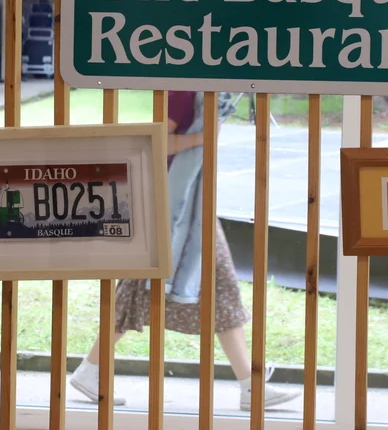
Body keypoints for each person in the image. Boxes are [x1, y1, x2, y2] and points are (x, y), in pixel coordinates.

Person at [69, 91, 302, 411]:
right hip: (171, 207)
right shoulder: (182, 91)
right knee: (142, 288)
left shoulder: (203, 93)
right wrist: (202, 138)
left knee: (217, 289)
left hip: (190, 208)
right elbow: (157, 143)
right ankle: (90, 369)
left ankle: (250, 385)